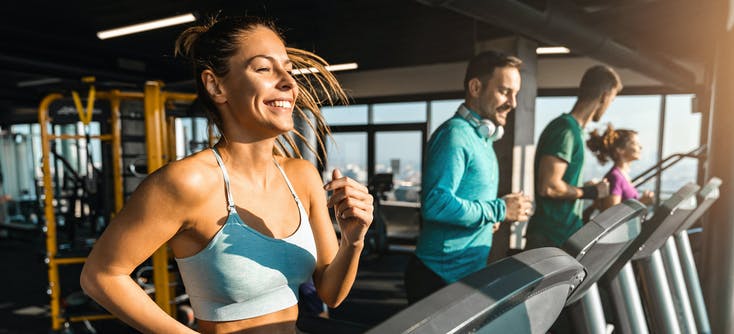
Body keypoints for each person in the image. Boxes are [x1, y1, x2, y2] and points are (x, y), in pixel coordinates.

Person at [80, 16, 373, 334]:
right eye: (264, 68)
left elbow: (331, 293)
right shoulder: (187, 183)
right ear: (216, 85)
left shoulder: (302, 177)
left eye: (288, 68)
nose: (289, 81)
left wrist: (353, 240)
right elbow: (100, 276)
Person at [404, 50, 533, 304]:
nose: (513, 103)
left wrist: (487, 220)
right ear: (475, 87)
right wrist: (498, 210)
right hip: (437, 278)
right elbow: (436, 204)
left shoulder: (482, 139)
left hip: (463, 277)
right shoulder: (455, 135)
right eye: (505, 91)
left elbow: (468, 202)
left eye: (515, 94)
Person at [525, 65, 622, 249]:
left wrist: (583, 189)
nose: (610, 105)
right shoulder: (565, 130)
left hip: (563, 236)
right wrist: (591, 192)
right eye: (612, 99)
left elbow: (559, 183)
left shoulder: (574, 131)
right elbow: (549, 187)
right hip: (550, 238)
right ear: (605, 95)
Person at [586, 124, 655, 210]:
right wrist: (641, 203)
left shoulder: (622, 175)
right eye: (635, 143)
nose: (640, 147)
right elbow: (611, 217)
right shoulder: (615, 177)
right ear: (620, 150)